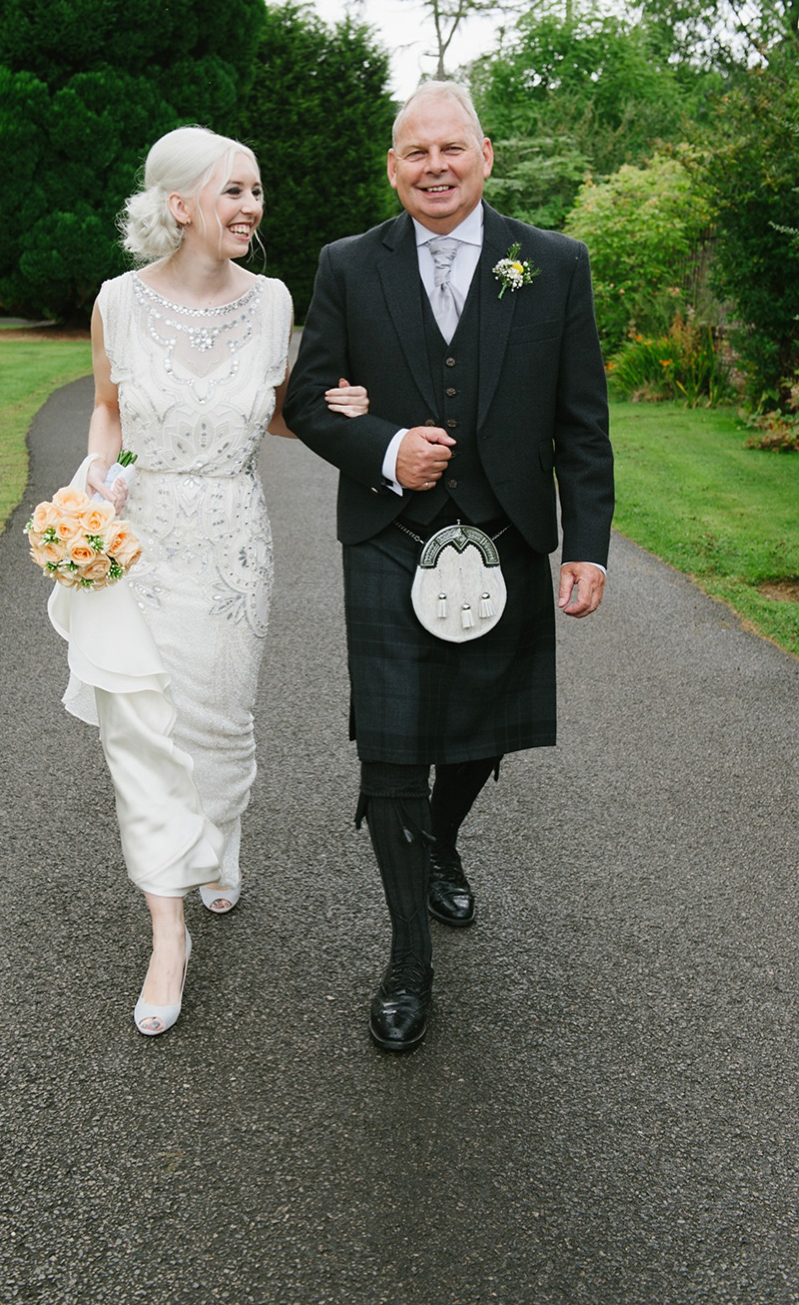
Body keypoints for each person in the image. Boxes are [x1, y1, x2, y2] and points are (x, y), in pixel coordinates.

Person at [283, 80, 614, 1053]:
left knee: (482, 731)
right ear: (393, 167)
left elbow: (581, 424)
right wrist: (385, 448)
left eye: (450, 148)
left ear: (485, 157)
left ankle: (443, 836)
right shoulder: (349, 264)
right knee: (391, 746)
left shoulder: (551, 265)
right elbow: (307, 399)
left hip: (507, 536)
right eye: (414, 151)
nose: (433, 165)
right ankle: (407, 960)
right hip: (390, 536)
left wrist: (587, 543)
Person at [84, 126, 368, 1035]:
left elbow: (276, 415)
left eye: (255, 190)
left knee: (218, 724)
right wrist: (98, 477)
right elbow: (107, 409)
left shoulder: (275, 299)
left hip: (234, 541)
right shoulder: (117, 304)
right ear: (180, 206)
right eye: (233, 191)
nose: (251, 207)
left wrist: (338, 411)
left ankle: (224, 839)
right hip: (135, 544)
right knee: (141, 730)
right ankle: (166, 929)